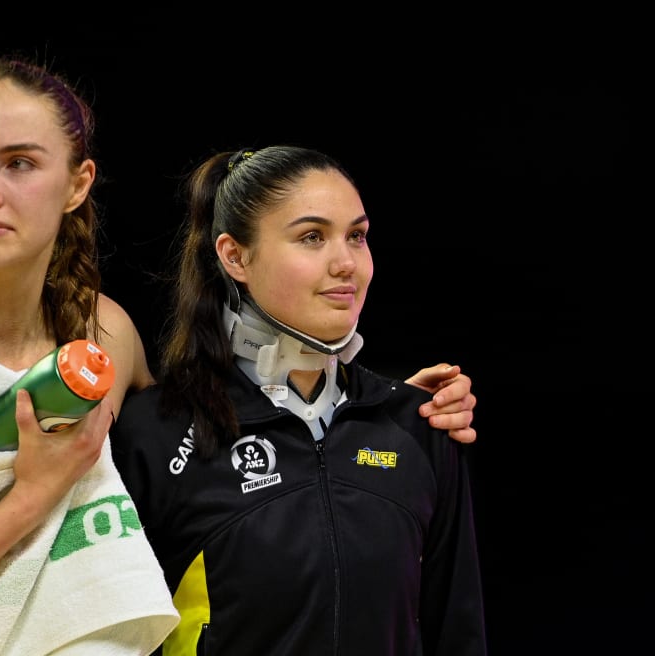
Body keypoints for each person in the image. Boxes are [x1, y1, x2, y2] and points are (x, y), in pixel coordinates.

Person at [0, 57, 479, 655]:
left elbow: (219, 450)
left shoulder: (108, 337)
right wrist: (29, 497)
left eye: (19, 163)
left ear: (78, 184)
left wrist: (369, 416)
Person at [110, 146, 487, 655]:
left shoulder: (419, 425)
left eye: (356, 236)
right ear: (235, 256)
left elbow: (457, 635)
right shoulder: (153, 433)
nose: (346, 263)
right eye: (312, 237)